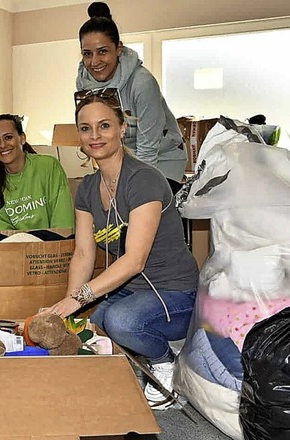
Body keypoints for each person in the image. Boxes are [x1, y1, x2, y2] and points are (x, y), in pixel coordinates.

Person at [43, 91, 198, 410]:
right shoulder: (86, 189)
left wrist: (78, 298)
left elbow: (134, 260)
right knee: (93, 327)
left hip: (176, 293)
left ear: (122, 128)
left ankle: (166, 362)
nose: (94, 135)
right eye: (85, 128)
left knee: (120, 322)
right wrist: (71, 310)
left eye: (104, 126)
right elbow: (84, 255)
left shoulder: (144, 179)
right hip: (133, 293)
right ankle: (136, 350)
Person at [76, 2, 186, 185]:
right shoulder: (83, 84)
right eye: (87, 54)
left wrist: (137, 189)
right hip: (123, 158)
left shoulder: (142, 83)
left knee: (142, 205)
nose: (94, 62)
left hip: (161, 158)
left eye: (102, 51)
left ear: (118, 49)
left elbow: (148, 147)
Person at [0, 114, 75, 231]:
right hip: (11, 248)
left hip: (55, 246)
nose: (2, 145)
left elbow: (63, 223)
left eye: (8, 137)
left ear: (22, 138)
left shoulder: (48, 167)